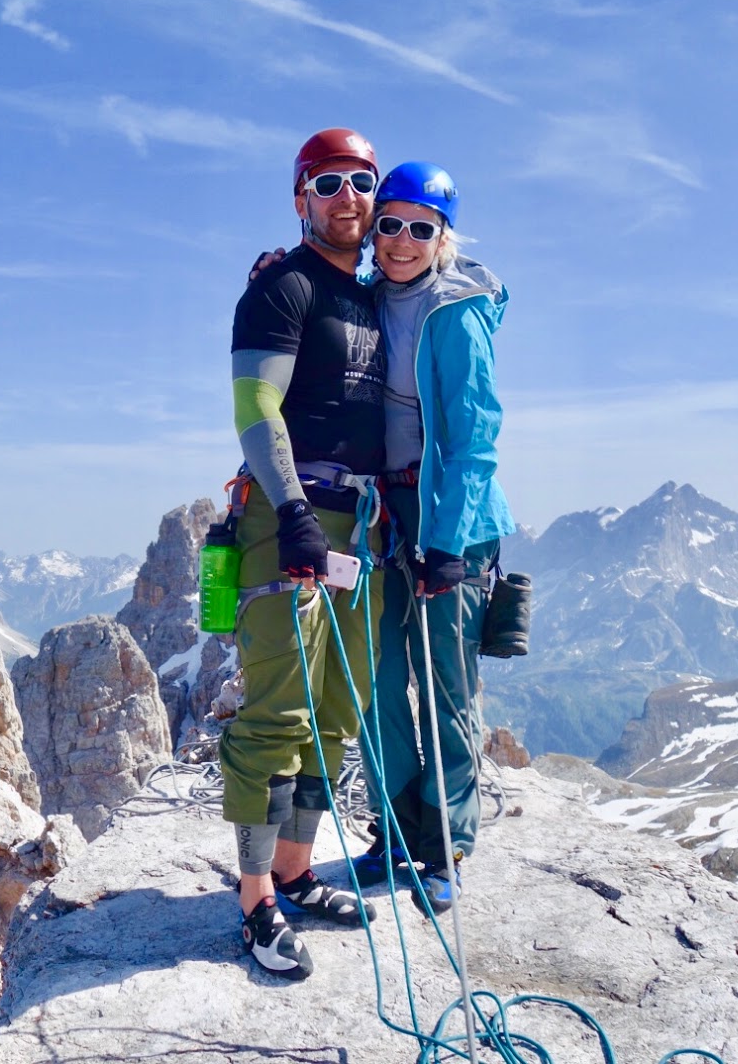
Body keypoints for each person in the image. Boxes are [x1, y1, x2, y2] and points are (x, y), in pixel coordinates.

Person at [219, 127, 387, 981]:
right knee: (279, 714)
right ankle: (255, 904)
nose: (347, 196)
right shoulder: (282, 288)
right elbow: (256, 407)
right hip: (292, 518)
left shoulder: (375, 296)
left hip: (362, 528)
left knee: (334, 712)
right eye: (328, 182)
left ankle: (294, 871)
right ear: (300, 199)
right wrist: (290, 511)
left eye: (362, 180)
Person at [350, 161, 516, 916]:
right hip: (381, 515)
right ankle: (394, 827)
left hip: (451, 518)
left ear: (443, 237)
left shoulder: (457, 311)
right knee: (379, 678)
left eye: (422, 228)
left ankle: (446, 843)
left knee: (444, 679)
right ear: (374, 231)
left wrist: (446, 545)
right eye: (390, 224)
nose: (403, 240)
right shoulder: (364, 300)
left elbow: (477, 436)